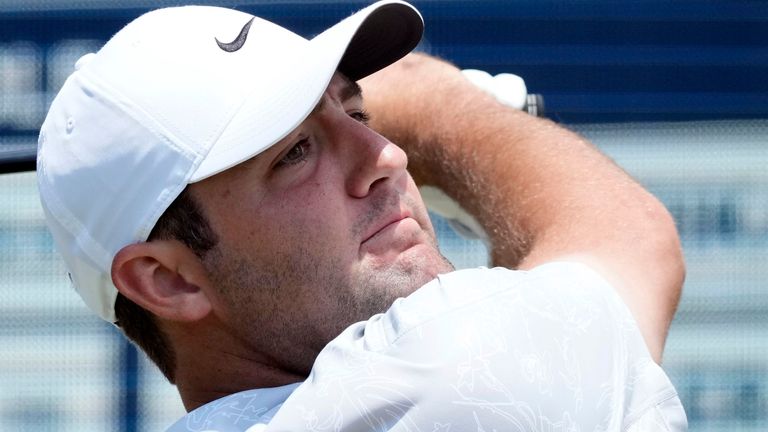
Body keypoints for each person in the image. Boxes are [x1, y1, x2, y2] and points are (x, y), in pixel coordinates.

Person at [37, 1, 687, 430]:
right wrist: (439, 103)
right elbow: (631, 237)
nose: (387, 154)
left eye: (359, 115)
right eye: (293, 152)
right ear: (167, 279)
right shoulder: (443, 375)